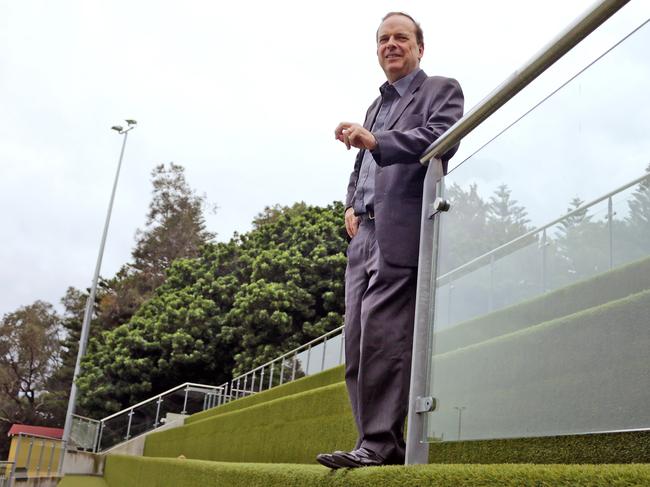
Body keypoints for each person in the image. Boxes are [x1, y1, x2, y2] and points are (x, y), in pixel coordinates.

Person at [316, 12, 464, 469]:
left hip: (401, 229)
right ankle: (376, 444)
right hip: (362, 236)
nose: (391, 45)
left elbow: (440, 136)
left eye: (401, 38)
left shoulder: (440, 89)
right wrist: (349, 204)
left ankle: (379, 444)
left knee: (384, 337)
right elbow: (359, 167)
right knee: (357, 344)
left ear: (420, 47)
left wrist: (376, 140)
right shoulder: (373, 105)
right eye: (383, 39)